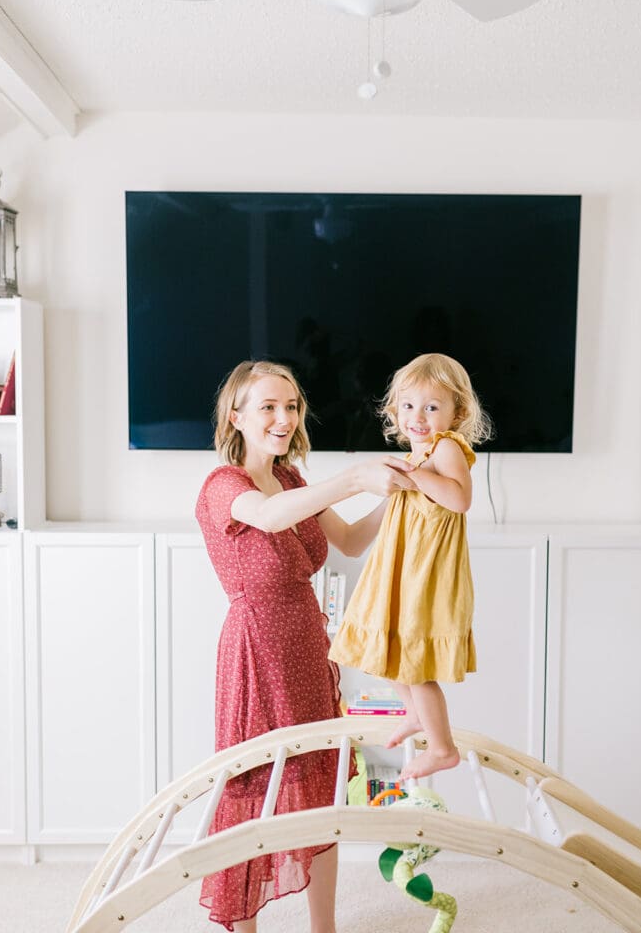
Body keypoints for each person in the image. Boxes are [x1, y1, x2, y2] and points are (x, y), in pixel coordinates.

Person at [196, 359, 415, 933]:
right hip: (256, 650)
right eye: (268, 406)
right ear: (236, 416)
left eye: (291, 405)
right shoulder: (224, 487)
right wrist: (354, 477)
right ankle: (244, 926)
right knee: (252, 791)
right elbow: (267, 519)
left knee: (320, 787)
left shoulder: (293, 481)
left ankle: (325, 928)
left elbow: (347, 539)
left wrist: (397, 491)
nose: (284, 417)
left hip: (308, 647)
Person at [329, 352, 492, 781]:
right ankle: (417, 715)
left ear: (457, 413)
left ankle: (442, 747)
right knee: (376, 652)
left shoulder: (446, 448)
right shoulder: (418, 455)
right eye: (407, 406)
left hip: (426, 577)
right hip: (399, 573)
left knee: (414, 664)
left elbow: (460, 500)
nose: (417, 416)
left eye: (432, 407)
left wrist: (416, 476)